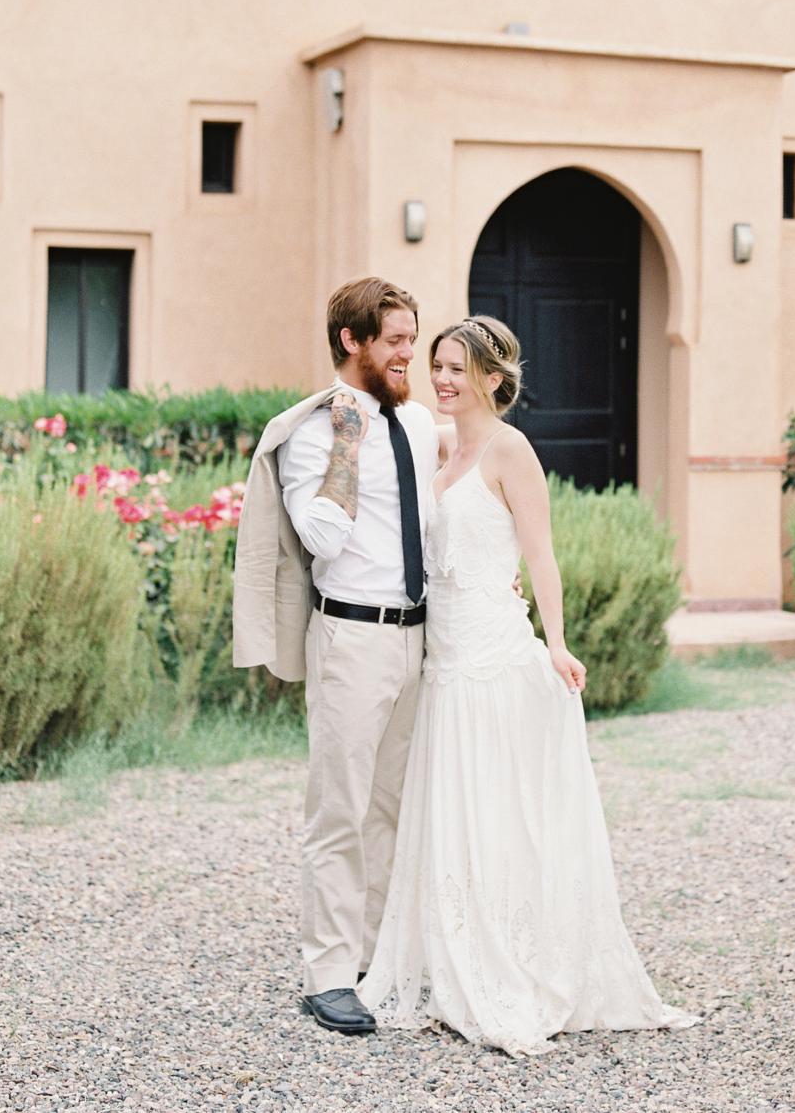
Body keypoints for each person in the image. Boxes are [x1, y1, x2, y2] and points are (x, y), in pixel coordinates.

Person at [358, 314, 699, 1056]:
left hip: (494, 658)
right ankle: (452, 953)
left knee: (500, 810)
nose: (442, 379)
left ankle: (512, 959)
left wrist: (558, 640)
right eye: (438, 366)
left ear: (491, 376)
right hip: (443, 662)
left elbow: (540, 555)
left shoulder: (512, 451)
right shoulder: (443, 445)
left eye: (456, 368)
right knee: (453, 808)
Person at [232, 277, 439, 1037]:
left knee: (392, 804)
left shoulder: (417, 423)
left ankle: (373, 956)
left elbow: (437, 513)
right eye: (394, 340)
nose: (408, 354)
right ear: (352, 341)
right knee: (340, 809)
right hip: (352, 638)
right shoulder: (314, 433)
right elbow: (321, 539)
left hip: (420, 637)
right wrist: (349, 443)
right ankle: (326, 975)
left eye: (412, 339)